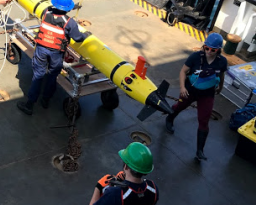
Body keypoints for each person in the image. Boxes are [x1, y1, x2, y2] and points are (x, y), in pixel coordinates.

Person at [17, 0, 90, 115]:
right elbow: (77, 38)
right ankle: (45, 100)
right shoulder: (69, 22)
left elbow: (49, 9)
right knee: (52, 76)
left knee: (38, 76)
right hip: (56, 53)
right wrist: (86, 35)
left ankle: (30, 104)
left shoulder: (45, 13)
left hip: (41, 49)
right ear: (68, 8)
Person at [165, 32, 227, 160]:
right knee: (180, 106)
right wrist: (182, 87)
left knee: (204, 120)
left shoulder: (222, 62)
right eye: (207, 48)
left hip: (207, 94)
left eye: (213, 49)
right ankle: (170, 118)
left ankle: (200, 150)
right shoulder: (195, 57)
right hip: (190, 90)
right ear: (204, 46)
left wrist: (220, 86)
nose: (209, 51)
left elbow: (221, 75)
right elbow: (183, 71)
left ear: (218, 49)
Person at [89, 142, 158, 205]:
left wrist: (98, 187)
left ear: (126, 166)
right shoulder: (153, 189)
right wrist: (124, 183)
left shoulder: (114, 194)